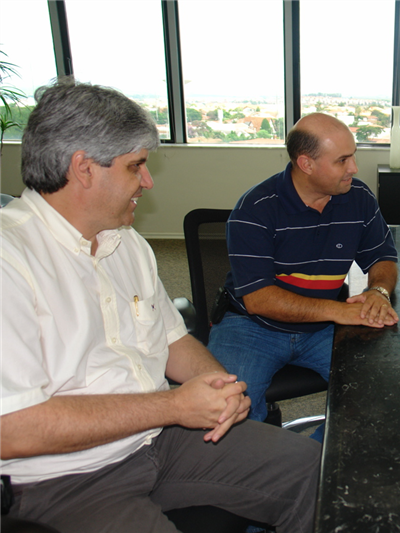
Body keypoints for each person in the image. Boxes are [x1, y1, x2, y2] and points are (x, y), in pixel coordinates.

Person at [0, 79, 320, 533]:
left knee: (315, 472)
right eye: (136, 167)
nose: (147, 182)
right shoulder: (9, 259)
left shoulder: (126, 243)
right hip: (62, 478)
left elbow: (171, 339)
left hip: (158, 441)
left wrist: (217, 385)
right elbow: (13, 428)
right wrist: (172, 408)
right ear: (84, 168)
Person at [208, 113, 398, 429]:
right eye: (342, 160)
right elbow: (259, 300)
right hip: (252, 325)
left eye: (353, 156)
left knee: (378, 394)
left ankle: (312, 469)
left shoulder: (358, 198)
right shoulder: (254, 210)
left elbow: (383, 255)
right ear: (306, 164)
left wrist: (378, 291)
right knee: (228, 412)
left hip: (323, 326)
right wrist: (340, 312)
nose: (354, 168)